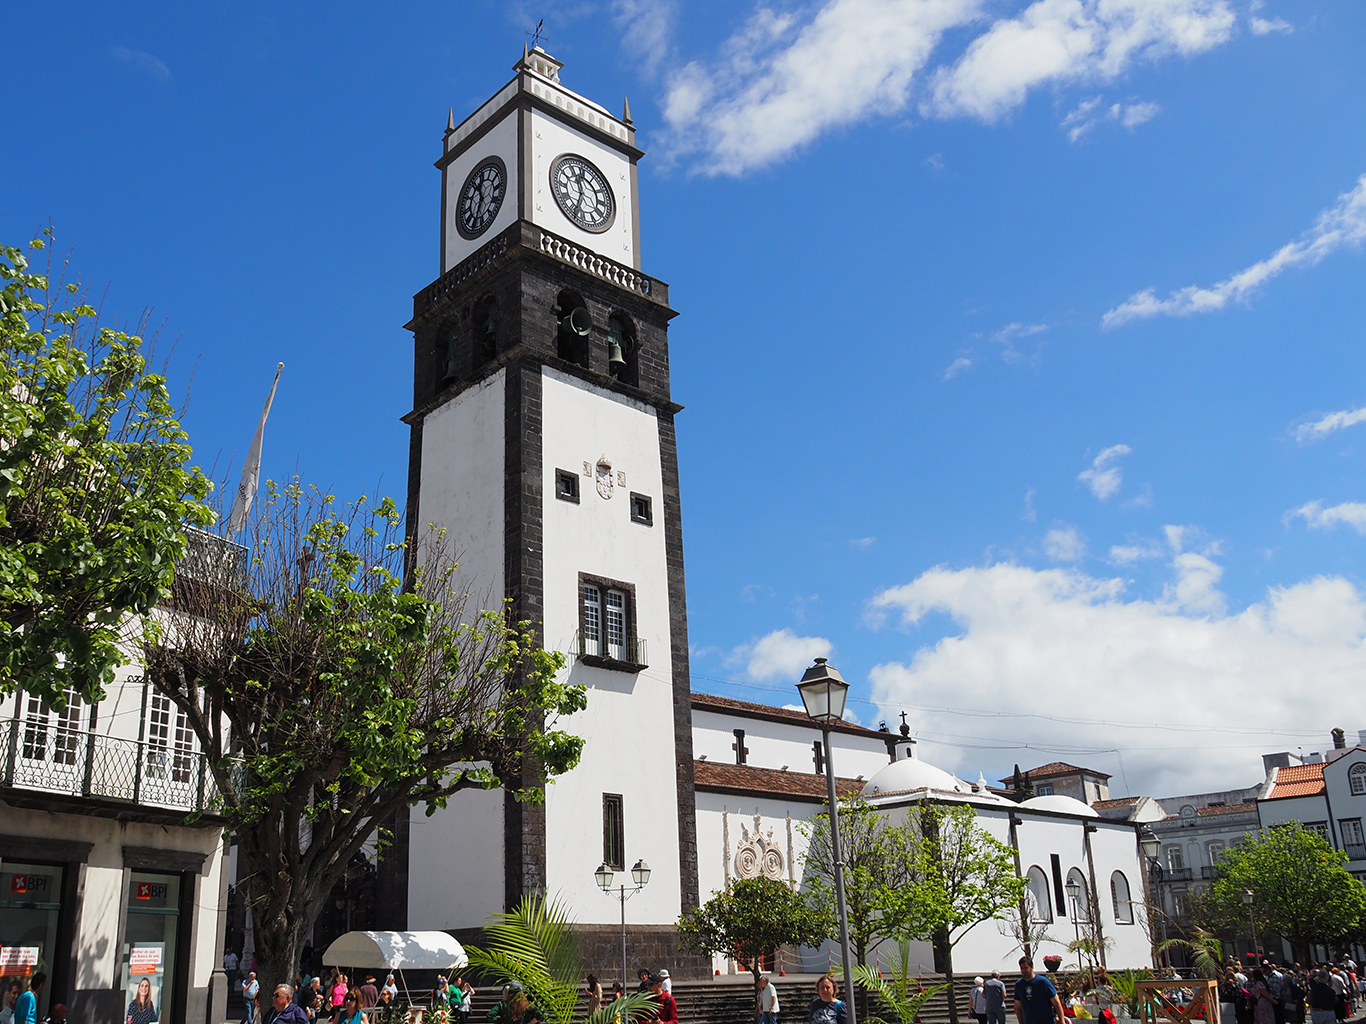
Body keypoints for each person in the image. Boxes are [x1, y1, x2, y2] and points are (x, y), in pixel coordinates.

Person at [1014, 957, 1065, 1024]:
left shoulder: (1042, 982)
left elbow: (1057, 1003)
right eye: (1022, 968)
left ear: (1032, 967)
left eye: (1026, 968)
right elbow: (1018, 1007)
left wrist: (1062, 1021)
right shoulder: (1019, 985)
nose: (1024, 971)